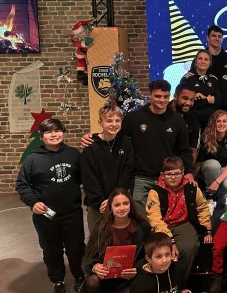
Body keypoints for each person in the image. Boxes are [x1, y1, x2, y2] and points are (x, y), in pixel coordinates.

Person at [81, 79, 195, 214]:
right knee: (140, 216)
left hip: (166, 177)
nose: (162, 100)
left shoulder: (177, 121)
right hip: (141, 177)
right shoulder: (134, 118)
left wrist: (188, 172)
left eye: (165, 96)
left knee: (166, 213)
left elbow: (185, 150)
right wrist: (93, 137)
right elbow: (114, 134)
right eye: (157, 96)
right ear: (150, 95)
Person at [16, 118, 85, 293]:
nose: (54, 135)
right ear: (41, 136)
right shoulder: (32, 159)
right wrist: (33, 202)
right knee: (51, 249)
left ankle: (79, 277)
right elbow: (22, 185)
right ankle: (58, 281)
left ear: (63, 132)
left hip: (72, 212)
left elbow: (85, 178)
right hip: (46, 214)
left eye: (57, 130)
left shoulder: (74, 154)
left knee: (76, 247)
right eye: (48, 132)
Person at [146, 156, 212, 289]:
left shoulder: (191, 188)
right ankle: (161, 285)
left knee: (189, 247)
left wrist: (207, 229)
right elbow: (154, 218)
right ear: (162, 175)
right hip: (163, 226)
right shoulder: (155, 191)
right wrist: (171, 241)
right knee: (165, 251)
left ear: (183, 173)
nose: (173, 177)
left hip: (184, 223)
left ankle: (179, 285)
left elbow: (203, 208)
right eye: (169, 174)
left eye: (177, 173)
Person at [81, 188, 151, 293]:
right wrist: (94, 267)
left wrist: (137, 268)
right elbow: (87, 258)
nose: (122, 208)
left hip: (130, 276)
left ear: (131, 205)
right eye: (117, 205)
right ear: (110, 208)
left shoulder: (142, 226)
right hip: (106, 276)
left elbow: (149, 255)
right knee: (92, 281)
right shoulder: (100, 228)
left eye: (125, 203)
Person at [81, 104, 134, 236]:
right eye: (109, 120)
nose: (113, 124)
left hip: (119, 201)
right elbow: (88, 177)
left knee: (119, 238)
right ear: (100, 122)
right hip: (98, 204)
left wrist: (115, 198)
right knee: (98, 239)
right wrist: (101, 201)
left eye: (117, 120)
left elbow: (127, 171)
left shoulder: (125, 142)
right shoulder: (91, 146)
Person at [195, 110, 227, 228]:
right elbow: (199, 162)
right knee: (212, 164)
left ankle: (226, 195)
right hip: (210, 168)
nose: (221, 124)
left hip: (226, 167)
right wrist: (193, 178)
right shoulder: (206, 135)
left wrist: (217, 181)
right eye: (218, 121)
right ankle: (211, 198)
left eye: (224, 121)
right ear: (213, 123)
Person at [181, 50, 222, 129]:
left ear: (210, 62)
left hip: (211, 122)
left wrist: (200, 99)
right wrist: (207, 100)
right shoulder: (187, 78)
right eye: (200, 59)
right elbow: (186, 103)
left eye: (206, 59)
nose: (203, 61)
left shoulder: (214, 79)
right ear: (196, 61)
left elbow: (218, 102)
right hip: (192, 122)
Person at [169, 83, 200, 167]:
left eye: (192, 100)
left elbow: (193, 151)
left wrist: (186, 171)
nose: (188, 103)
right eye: (185, 98)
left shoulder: (193, 121)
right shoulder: (162, 113)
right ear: (175, 96)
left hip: (181, 165)